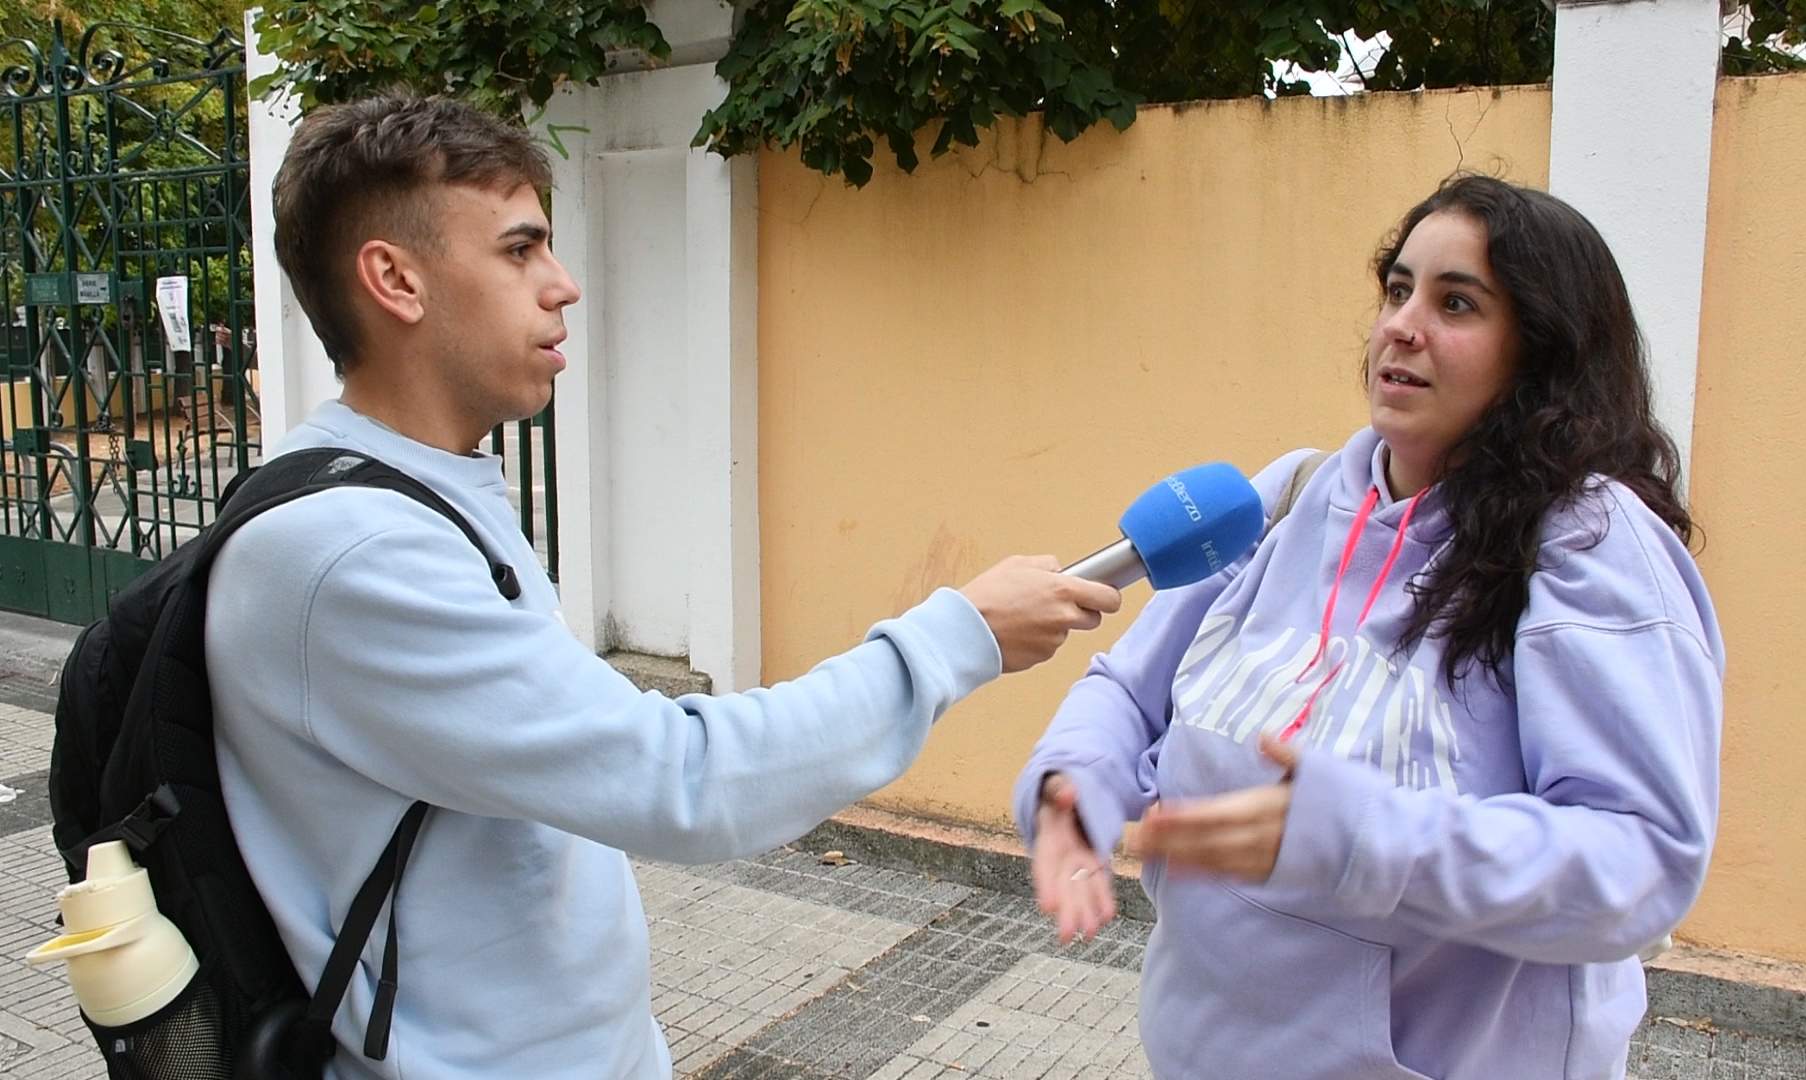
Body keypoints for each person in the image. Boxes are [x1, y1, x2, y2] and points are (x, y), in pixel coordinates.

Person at [204, 94, 1122, 1079]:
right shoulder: (352, 554)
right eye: (520, 251)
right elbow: (681, 780)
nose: (563, 286)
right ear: (395, 279)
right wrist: (958, 638)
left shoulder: (421, 487)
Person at [1013, 174, 1723, 1080]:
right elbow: (1130, 690)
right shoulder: (1288, 496)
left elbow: (1638, 860)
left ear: (1541, 353)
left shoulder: (1589, 546)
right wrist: (1074, 789)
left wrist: (1357, 841)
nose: (1402, 325)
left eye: (1455, 302)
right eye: (1398, 289)